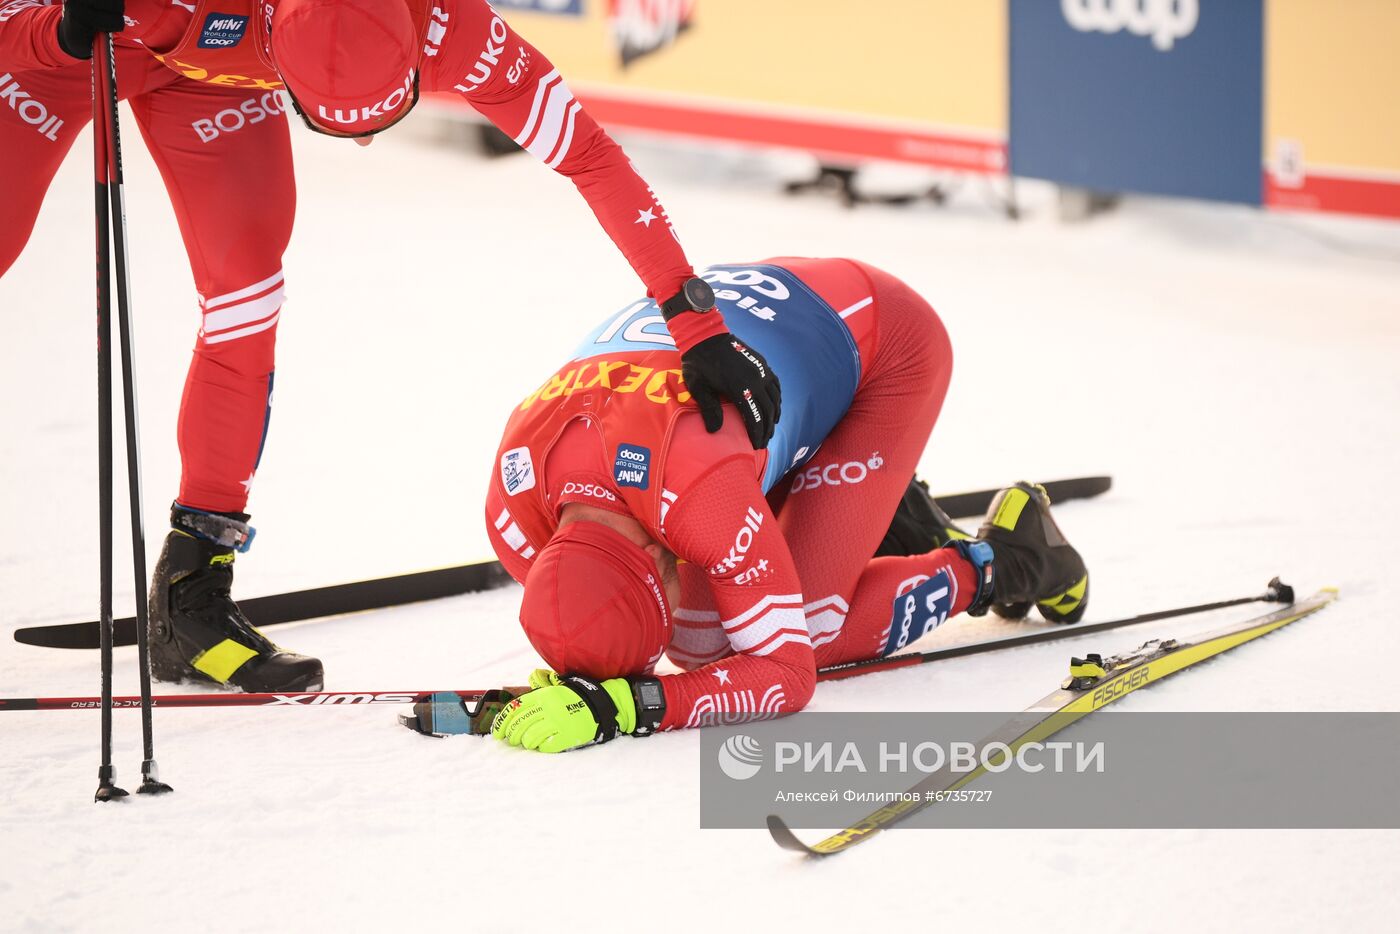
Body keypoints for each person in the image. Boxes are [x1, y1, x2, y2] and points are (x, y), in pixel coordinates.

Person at [0, 0, 778, 692]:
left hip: (215, 74)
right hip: (84, 47)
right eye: (337, 124)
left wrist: (697, 324)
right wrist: (57, 29)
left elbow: (590, 156)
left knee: (246, 294)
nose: (368, 147)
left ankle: (190, 588)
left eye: (381, 122)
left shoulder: (456, 28)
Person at [482, 257, 1089, 753]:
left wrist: (632, 707)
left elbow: (788, 675)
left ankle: (1007, 558)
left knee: (799, 630)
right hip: (766, 336)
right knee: (702, 636)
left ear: (650, 553)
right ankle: (864, 510)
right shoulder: (511, 517)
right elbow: (588, 600)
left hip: (885, 339)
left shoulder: (697, 497)